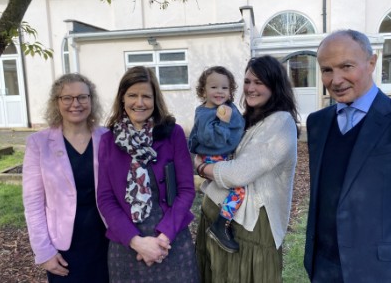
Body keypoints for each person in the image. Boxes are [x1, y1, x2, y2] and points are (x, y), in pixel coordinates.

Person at [304, 29, 391, 283]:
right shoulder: (317, 123)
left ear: (372, 62)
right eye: (327, 70)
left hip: (383, 273)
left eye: (346, 66)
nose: (336, 80)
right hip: (324, 268)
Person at [195, 55, 299, 282]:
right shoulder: (246, 118)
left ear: (275, 85)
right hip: (216, 216)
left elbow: (237, 174)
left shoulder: (280, 123)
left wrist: (201, 167)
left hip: (249, 228)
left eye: (259, 82)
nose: (251, 88)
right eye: (248, 81)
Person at [97, 66, 199, 282]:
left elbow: (186, 190)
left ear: (155, 100)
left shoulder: (173, 133)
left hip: (170, 242)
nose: (140, 102)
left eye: (146, 96)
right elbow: (105, 199)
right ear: (122, 98)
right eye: (133, 95)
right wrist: (137, 242)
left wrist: (163, 239)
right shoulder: (108, 141)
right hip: (127, 245)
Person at [22, 73, 109, 282]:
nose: (75, 104)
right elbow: (33, 202)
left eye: (82, 97)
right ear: (57, 102)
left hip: (107, 241)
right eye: (67, 98)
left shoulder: (108, 137)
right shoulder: (38, 143)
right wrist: (44, 252)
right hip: (63, 247)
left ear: (91, 99)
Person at [188, 66, 245, 253]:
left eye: (224, 88)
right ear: (203, 90)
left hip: (221, 156)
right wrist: (223, 122)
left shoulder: (225, 108)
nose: (219, 91)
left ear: (231, 91)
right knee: (238, 190)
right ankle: (221, 224)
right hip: (213, 158)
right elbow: (211, 140)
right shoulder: (208, 114)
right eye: (213, 87)